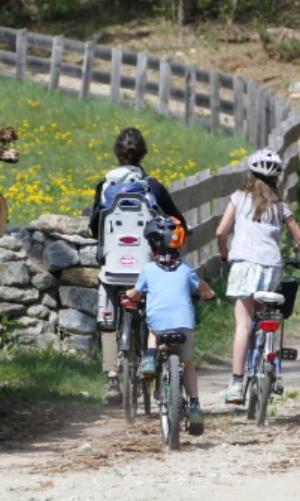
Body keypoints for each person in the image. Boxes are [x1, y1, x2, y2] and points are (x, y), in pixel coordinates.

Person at [89, 127, 189, 405]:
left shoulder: (104, 187)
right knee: (153, 310)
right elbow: (178, 221)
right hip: (146, 271)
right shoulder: (152, 186)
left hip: (112, 268)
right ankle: (150, 359)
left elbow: (94, 226)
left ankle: (112, 377)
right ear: (143, 155)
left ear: (116, 154)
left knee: (108, 321)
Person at [215, 149, 300, 404]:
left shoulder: (238, 198)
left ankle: (237, 383)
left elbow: (220, 232)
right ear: (276, 179)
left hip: (243, 266)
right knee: (263, 316)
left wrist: (225, 254)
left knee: (243, 325)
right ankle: (267, 357)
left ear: (249, 174)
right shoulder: (280, 206)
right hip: (271, 268)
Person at [126, 215, 215, 433]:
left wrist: (129, 294)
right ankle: (195, 405)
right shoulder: (185, 269)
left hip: (159, 324)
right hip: (184, 324)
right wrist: (208, 294)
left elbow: (135, 294)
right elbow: (202, 287)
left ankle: (149, 357)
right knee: (188, 363)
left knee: (153, 328)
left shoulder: (148, 269)